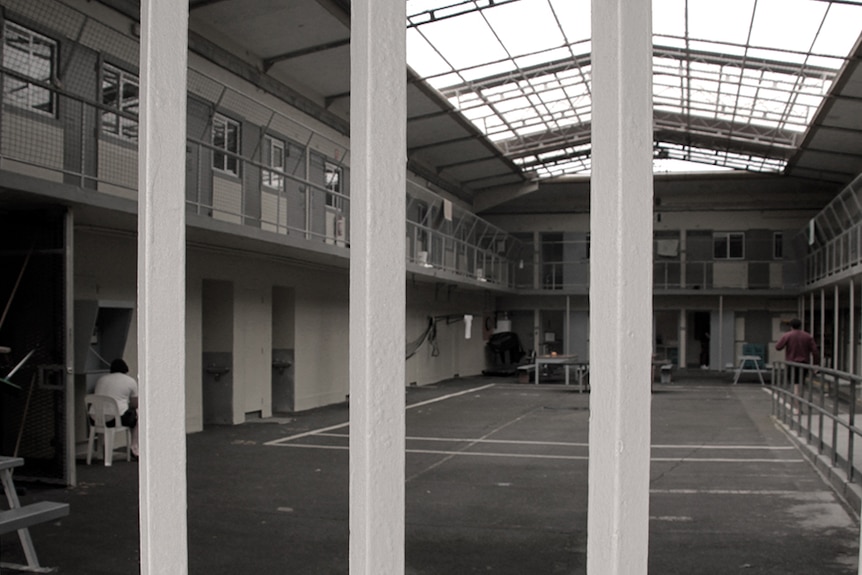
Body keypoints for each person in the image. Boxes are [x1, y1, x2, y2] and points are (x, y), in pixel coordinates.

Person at [92, 358, 139, 458]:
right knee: (137, 414)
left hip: (94, 418)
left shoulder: (101, 379)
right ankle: (135, 447)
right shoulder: (130, 381)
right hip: (114, 419)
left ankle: (100, 451)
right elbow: (135, 404)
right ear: (126, 369)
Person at [775, 319, 819, 413]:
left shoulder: (787, 335)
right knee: (801, 384)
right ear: (800, 326)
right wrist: (815, 364)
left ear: (791, 326)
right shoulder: (807, 336)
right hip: (804, 364)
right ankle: (799, 405)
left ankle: (797, 407)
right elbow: (815, 351)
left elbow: (778, 347)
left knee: (794, 385)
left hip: (792, 363)